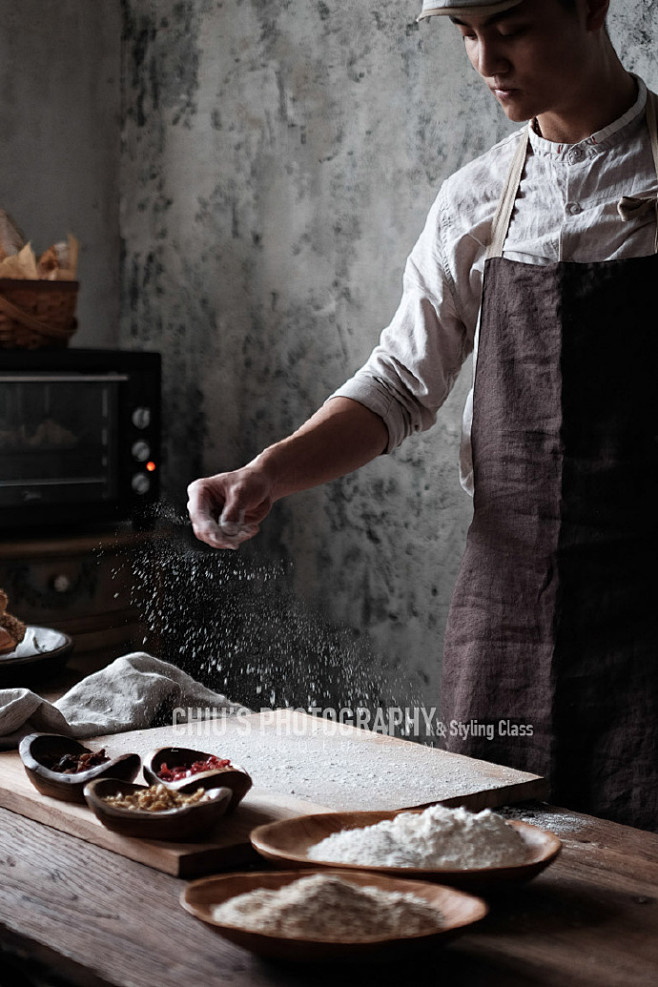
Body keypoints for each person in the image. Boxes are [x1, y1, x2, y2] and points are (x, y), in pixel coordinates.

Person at [187, 0, 658, 831]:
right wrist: (268, 472)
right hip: (509, 602)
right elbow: (402, 383)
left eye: (509, 26)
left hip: (649, 601)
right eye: (465, 33)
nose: (486, 60)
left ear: (591, 5)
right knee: (494, 845)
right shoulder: (476, 196)